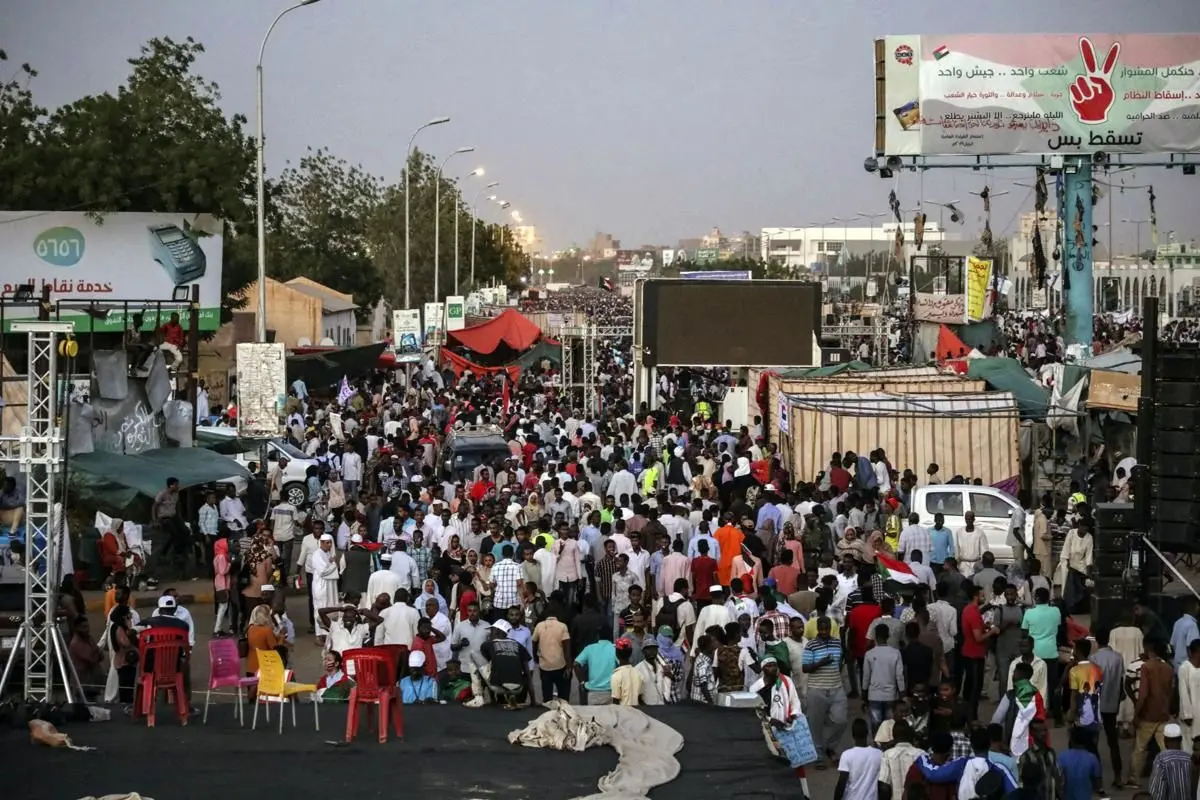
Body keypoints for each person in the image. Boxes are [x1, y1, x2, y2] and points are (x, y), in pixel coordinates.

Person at [753, 654, 817, 795]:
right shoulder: (755, 689)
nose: (773, 668)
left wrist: (793, 715)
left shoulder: (786, 681)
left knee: (797, 764)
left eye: (774, 665)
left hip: (788, 730)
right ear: (763, 669)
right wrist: (771, 720)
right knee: (776, 766)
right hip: (770, 733)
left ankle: (803, 794)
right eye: (769, 666)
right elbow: (756, 713)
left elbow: (794, 701)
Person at [1130, 638, 1174, 789]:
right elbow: (1170, 692)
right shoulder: (1168, 668)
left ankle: (1134, 778)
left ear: (1150, 649)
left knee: (1140, 748)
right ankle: (1171, 775)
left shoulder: (1146, 667)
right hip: (1163, 713)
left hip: (1148, 714)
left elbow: (1143, 694)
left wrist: (1136, 714)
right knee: (1165, 747)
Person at [804, 615, 847, 766]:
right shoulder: (811, 645)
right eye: (821, 629)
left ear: (830, 628)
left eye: (826, 629)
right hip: (816, 689)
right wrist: (821, 663)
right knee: (815, 724)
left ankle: (829, 746)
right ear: (817, 628)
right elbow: (805, 668)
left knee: (840, 721)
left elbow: (840, 662)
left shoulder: (837, 643)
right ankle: (819, 755)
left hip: (836, 687)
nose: (823, 631)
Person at [479, 619, 533, 708]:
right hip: (518, 688)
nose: (490, 633)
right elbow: (528, 675)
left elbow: (487, 665)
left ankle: (486, 698)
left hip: (496, 687)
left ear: (497, 631)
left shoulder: (488, 644)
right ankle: (511, 694)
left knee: (475, 658)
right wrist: (533, 701)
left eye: (492, 630)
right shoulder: (518, 645)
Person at [834, 718, 882, 800]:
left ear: (853, 735)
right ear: (867, 733)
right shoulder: (878, 754)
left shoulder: (846, 755)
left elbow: (841, 784)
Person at [532, 607, 572, 702]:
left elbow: (533, 642)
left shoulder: (539, 626)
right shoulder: (562, 626)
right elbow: (567, 648)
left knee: (547, 696)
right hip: (560, 665)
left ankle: (547, 713)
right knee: (563, 695)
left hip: (545, 666)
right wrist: (569, 666)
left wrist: (536, 658)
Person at [309, 533, 340, 641]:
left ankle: (328, 633)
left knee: (330, 606)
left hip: (330, 586)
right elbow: (323, 571)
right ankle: (319, 634)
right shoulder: (317, 554)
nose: (329, 545)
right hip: (321, 585)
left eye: (330, 542)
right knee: (320, 607)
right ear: (321, 543)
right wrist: (333, 565)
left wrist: (332, 564)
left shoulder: (327, 554)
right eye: (327, 543)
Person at [1056, 726, 1102, 800]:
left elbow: (1057, 779)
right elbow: (1098, 784)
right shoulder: (1092, 758)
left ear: (1071, 740)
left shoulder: (1062, 756)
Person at [1148, 723, 1191, 800]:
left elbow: (1157, 789)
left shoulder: (1161, 759)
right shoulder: (1189, 758)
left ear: (1164, 740)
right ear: (1181, 739)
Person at [574, 635, 619, 705]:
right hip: (611, 692)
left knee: (593, 715)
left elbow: (576, 664)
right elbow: (623, 666)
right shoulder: (615, 648)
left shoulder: (589, 648)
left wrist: (582, 682)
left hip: (592, 692)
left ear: (598, 636)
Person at [245, 603, 279, 677]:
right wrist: (281, 638)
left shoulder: (250, 629)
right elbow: (275, 648)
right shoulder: (267, 631)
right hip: (264, 668)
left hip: (250, 667)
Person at [610, 636, 643, 706]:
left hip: (623, 714)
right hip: (637, 713)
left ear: (617, 654)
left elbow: (616, 703)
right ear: (630, 653)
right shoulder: (638, 673)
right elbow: (640, 699)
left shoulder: (616, 676)